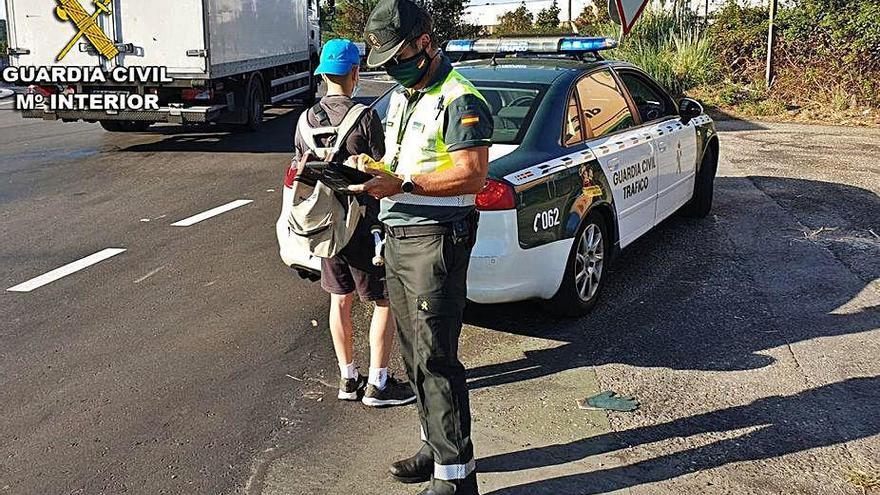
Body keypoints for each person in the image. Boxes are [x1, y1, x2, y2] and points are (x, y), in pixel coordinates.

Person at [348, 3, 493, 493]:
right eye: (385, 59)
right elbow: (400, 160)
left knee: (436, 358)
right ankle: (436, 449)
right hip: (398, 237)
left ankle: (456, 478)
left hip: (436, 240)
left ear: (427, 42)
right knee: (412, 357)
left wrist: (402, 182)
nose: (392, 66)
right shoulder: (405, 95)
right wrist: (370, 169)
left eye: (399, 55)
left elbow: (473, 173)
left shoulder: (460, 97)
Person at [294, 38, 416, 408]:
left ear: (323, 75)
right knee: (383, 302)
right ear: (354, 72)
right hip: (364, 224)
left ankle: (348, 378)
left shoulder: (304, 119)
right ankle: (378, 384)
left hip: (327, 225)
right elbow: (385, 165)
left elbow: (301, 169)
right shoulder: (365, 117)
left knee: (339, 298)